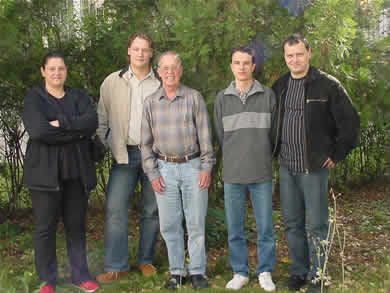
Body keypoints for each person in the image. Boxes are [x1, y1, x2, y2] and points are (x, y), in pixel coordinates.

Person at [271, 33, 360, 293]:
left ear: (309, 54)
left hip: (314, 167)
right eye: (290, 56)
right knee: (292, 222)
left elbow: (350, 123)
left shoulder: (328, 85)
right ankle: (298, 271)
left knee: (318, 224)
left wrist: (337, 153)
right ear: (285, 58)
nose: (295, 60)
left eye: (299, 54)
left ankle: (319, 276)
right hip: (287, 167)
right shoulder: (281, 85)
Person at [22, 52, 99, 293]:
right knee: (45, 228)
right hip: (45, 177)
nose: (57, 73)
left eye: (61, 68)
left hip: (76, 174)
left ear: (66, 71)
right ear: (43, 71)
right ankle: (48, 280)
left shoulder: (78, 96)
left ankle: (80, 275)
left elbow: (91, 122)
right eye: (52, 69)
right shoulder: (34, 98)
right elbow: (38, 131)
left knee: (76, 226)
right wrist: (75, 129)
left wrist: (61, 124)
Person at [141, 51, 215, 290]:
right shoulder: (151, 102)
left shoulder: (194, 98)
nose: (170, 72)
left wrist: (206, 167)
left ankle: (197, 272)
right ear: (158, 71)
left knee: (195, 222)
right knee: (169, 224)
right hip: (164, 169)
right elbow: (145, 143)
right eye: (165, 68)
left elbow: (205, 136)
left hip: (193, 167)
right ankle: (176, 272)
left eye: (174, 67)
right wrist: (152, 173)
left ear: (181, 70)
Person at [96, 32, 161, 283]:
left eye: (145, 49)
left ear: (151, 53)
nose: (140, 54)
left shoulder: (159, 83)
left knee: (151, 210)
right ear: (129, 51)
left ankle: (145, 261)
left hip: (153, 155)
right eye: (136, 49)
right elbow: (102, 117)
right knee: (115, 209)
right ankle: (116, 266)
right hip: (124, 154)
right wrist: (99, 146)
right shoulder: (113, 81)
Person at [213, 45, 276, 292]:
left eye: (246, 63)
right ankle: (240, 271)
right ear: (231, 66)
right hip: (233, 173)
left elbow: (274, 134)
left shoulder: (268, 95)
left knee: (265, 227)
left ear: (253, 66)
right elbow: (221, 135)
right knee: (235, 227)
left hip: (261, 172)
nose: (241, 67)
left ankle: (265, 271)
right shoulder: (221, 98)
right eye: (237, 62)